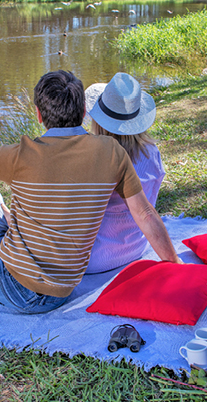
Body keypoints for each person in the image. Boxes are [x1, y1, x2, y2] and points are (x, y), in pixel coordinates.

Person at [0, 70, 181, 314]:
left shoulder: (23, 154)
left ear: (38, 114)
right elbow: (145, 212)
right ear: (83, 112)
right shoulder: (113, 153)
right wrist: (176, 265)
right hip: (63, 291)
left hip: (13, 289)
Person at [83, 73, 165, 273]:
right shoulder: (152, 153)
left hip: (95, 258)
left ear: (99, 120)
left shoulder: (94, 158)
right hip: (135, 247)